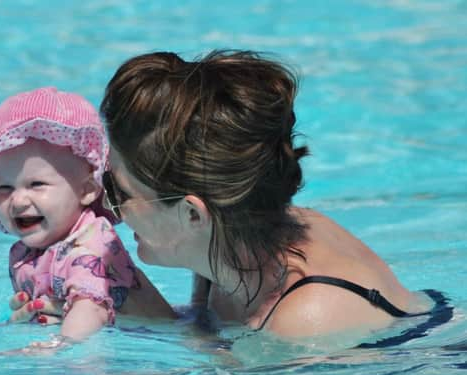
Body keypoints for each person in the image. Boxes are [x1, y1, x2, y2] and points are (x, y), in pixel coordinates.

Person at [99, 50, 452, 346]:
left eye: (118, 191)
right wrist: (143, 311)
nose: (104, 204)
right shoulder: (228, 234)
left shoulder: (306, 320)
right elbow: (209, 336)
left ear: (193, 215)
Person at [0, 87, 175, 343]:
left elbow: (92, 309)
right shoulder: (25, 251)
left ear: (87, 190)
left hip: (146, 347)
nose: (18, 200)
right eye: (5, 188)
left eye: (37, 184)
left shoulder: (92, 244)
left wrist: (59, 346)